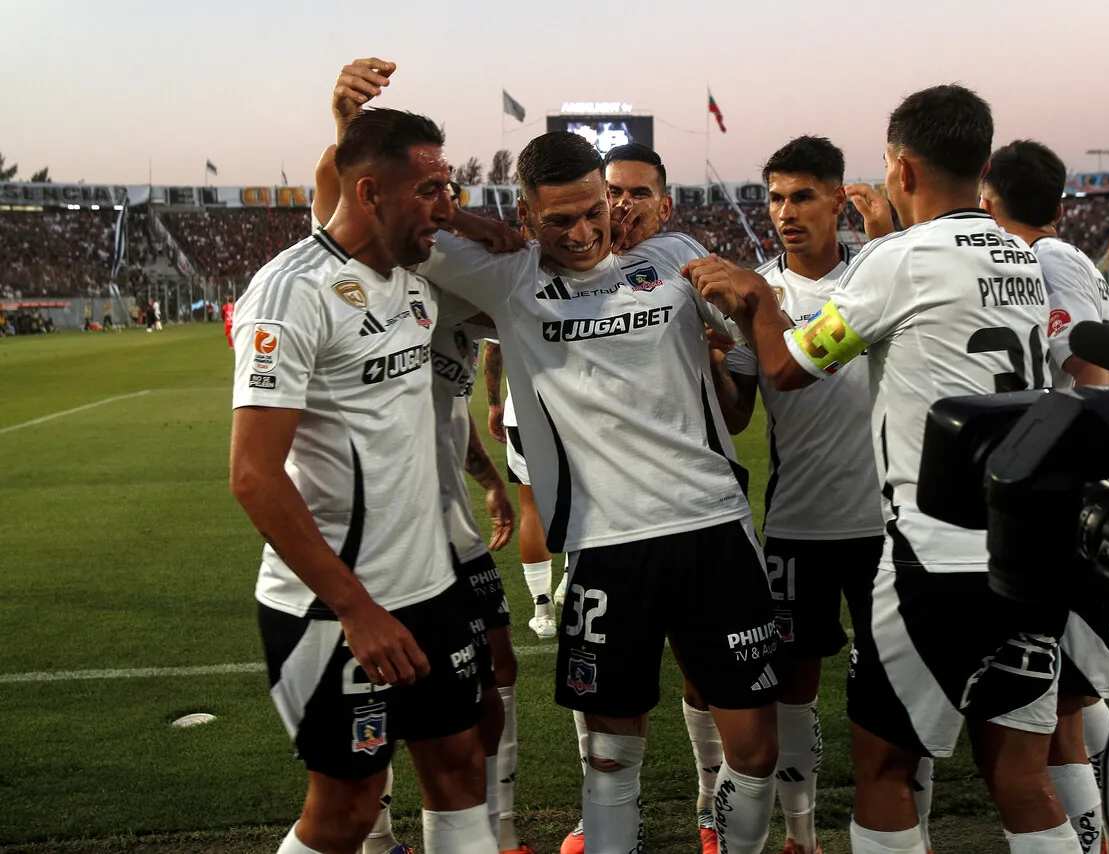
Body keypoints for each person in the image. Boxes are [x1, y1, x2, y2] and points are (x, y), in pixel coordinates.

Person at [687, 84, 1079, 854]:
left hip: (934, 556)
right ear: (984, 166)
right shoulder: (1021, 256)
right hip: (1027, 552)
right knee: (1022, 777)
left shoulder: (897, 259)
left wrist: (758, 298)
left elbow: (788, 368)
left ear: (900, 169)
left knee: (885, 769)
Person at [422, 130, 782, 854]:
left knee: (755, 752)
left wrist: (755, 306)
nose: (585, 232)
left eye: (596, 210)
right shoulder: (509, 276)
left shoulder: (674, 256)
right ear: (526, 215)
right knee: (611, 762)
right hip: (606, 546)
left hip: (713, 528)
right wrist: (463, 217)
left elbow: (767, 355)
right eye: (560, 220)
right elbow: (375, 223)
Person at [229, 105, 495, 854]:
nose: (447, 207)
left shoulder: (413, 279)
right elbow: (252, 475)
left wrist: (482, 228)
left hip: (430, 590)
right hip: (334, 610)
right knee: (347, 810)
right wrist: (356, 609)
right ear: (371, 193)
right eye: (430, 190)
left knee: (459, 766)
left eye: (449, 188)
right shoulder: (291, 293)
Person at [709, 135, 934, 854]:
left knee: (901, 689)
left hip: (885, 526)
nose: (785, 212)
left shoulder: (878, 276)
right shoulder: (756, 293)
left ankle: (917, 830)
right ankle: (800, 836)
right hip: (798, 525)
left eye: (802, 196)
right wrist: (713, 366)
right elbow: (738, 415)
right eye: (775, 198)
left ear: (839, 199)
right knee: (792, 691)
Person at [981, 139, 1109, 854]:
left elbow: (1093, 374)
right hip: (1080, 501)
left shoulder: (1045, 260)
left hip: (1072, 508)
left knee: (1060, 719)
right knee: (1077, 698)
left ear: (989, 202)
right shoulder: (1059, 254)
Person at [481, 340, 563, 639]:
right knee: (585, 497)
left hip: (525, 411)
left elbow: (493, 349)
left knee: (531, 508)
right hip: (577, 406)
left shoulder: (511, 302)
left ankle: (543, 611)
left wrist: (494, 404)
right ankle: (571, 580)